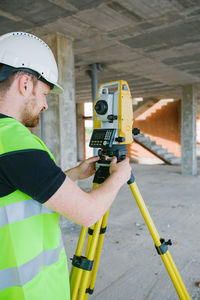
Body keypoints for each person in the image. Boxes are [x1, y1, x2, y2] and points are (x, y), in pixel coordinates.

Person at [0, 32, 131, 300]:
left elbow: (19, 187)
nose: (46, 104)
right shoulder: (14, 142)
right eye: (45, 93)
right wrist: (119, 177)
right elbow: (88, 213)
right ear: (25, 83)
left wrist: (72, 175)